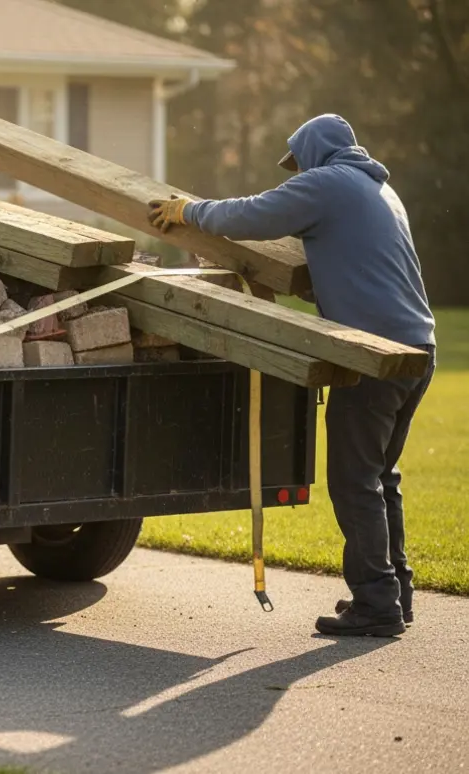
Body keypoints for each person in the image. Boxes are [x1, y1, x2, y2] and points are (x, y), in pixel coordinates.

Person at [148, 114, 436, 637]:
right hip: (418, 348)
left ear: (315, 152)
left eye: (298, 161)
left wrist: (190, 210)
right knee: (380, 477)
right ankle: (395, 593)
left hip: (376, 353)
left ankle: (377, 605)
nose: (296, 171)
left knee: (354, 483)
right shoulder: (378, 191)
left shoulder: (327, 183)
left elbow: (255, 214)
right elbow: (355, 269)